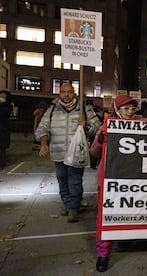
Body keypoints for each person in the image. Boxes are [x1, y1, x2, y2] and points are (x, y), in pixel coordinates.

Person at [35, 82, 101, 222]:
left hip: (77, 153)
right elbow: (42, 128)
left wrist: (86, 125)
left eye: (69, 92)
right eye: (63, 92)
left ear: (74, 93)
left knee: (75, 181)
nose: (66, 94)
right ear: (60, 93)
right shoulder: (52, 110)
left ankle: (73, 208)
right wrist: (43, 142)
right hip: (58, 153)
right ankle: (68, 203)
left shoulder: (84, 108)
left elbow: (97, 127)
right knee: (62, 181)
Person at [90, 95, 138, 272]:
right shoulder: (107, 127)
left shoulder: (140, 126)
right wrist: (101, 138)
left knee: (128, 210)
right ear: (117, 109)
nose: (130, 112)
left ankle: (123, 239)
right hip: (109, 178)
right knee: (105, 215)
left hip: (132, 179)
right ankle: (103, 253)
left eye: (133, 109)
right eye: (126, 108)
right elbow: (94, 152)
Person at [0, 90, 12, 170]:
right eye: (1, 96)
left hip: (3, 129)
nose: (2, 98)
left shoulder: (8, 106)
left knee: (1, 147)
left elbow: (3, 114)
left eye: (4, 96)